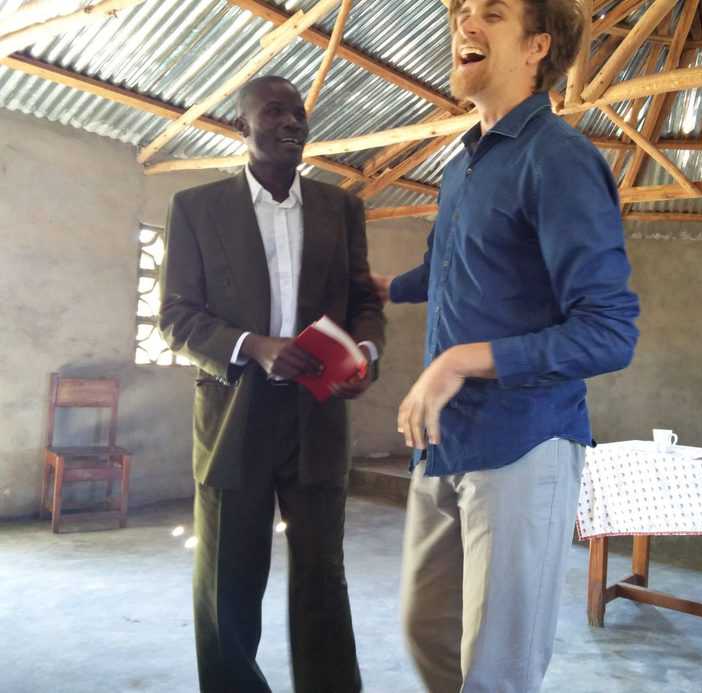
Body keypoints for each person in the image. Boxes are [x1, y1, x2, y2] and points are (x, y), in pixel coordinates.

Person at [372, 1, 640, 691]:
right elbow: (449, 266)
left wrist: (461, 360)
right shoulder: (463, 165)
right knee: (426, 634)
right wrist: (387, 288)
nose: (464, 24)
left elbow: (609, 332)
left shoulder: (559, 159)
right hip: (444, 441)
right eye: (461, 11)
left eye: (491, 13)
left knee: (496, 670)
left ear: (536, 46)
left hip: (523, 441)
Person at [158, 75, 384, 693]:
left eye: (300, 113)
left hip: (318, 416)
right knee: (227, 578)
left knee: (322, 575)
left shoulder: (341, 208)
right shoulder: (197, 208)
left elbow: (364, 300)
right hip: (235, 414)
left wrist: (365, 352)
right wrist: (254, 347)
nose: (292, 123)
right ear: (242, 127)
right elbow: (176, 317)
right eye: (275, 111)